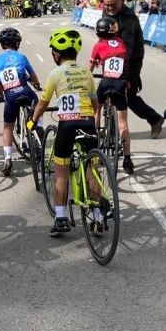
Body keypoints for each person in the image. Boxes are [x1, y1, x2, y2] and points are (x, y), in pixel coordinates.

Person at [29, 28, 100, 238]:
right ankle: (97, 218)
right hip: (87, 123)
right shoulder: (86, 72)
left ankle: (60, 218)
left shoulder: (55, 73)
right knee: (92, 170)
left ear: (57, 54)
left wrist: (33, 121)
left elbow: (43, 103)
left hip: (67, 125)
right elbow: (95, 104)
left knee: (61, 171)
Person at [101, 0, 164, 138]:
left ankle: (154, 119)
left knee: (127, 95)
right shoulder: (106, 13)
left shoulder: (128, 18)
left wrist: (120, 68)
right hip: (112, 55)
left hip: (131, 58)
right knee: (108, 89)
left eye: (112, 4)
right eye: (106, 5)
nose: (109, 8)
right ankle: (111, 131)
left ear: (120, 0)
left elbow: (127, 47)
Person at [0, 26, 41, 176]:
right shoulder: (21, 57)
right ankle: (38, 126)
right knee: (37, 103)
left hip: (11, 95)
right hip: (25, 91)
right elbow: (33, 75)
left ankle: (7, 158)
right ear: (17, 43)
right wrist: (37, 84)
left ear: (2, 44)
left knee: (7, 127)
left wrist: (0, 95)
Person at [89, 15, 134, 175]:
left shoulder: (98, 46)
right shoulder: (120, 42)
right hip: (120, 84)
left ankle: (94, 142)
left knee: (97, 109)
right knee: (123, 124)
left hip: (106, 82)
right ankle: (127, 159)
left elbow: (90, 69)